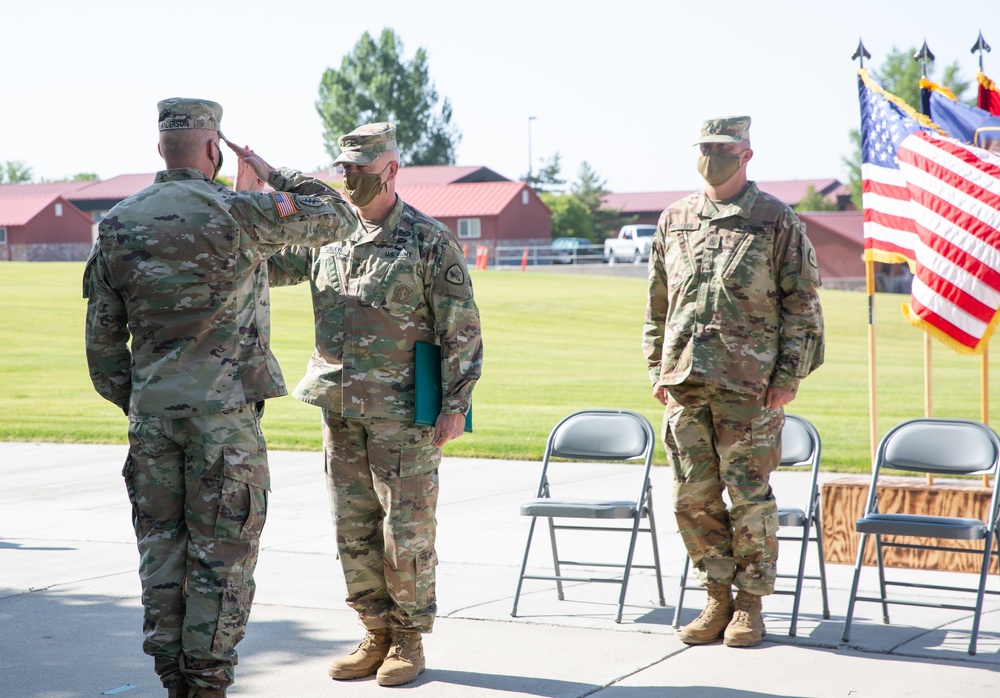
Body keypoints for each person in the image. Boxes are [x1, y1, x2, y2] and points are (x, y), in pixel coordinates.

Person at [83, 97, 359, 698]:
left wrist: (146, 399)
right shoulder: (240, 212)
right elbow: (339, 214)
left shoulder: (119, 223)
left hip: (152, 421)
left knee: (162, 553)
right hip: (224, 425)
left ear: (161, 149)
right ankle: (207, 683)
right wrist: (270, 173)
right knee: (222, 558)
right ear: (214, 149)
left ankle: (173, 679)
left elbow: (103, 351)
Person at [261, 122, 483, 686]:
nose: (351, 178)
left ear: (391, 170)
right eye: (345, 169)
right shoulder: (327, 236)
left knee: (406, 530)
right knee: (352, 526)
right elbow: (261, 265)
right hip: (340, 406)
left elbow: (462, 327)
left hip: (405, 411)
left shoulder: (428, 239)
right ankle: (373, 631)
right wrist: (248, 199)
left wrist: (456, 403)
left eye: (361, 169)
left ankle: (408, 638)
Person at [643, 115, 824, 648]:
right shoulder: (674, 218)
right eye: (705, 147)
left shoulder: (775, 219)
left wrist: (787, 376)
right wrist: (658, 368)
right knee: (691, 499)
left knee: (748, 497)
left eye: (723, 147)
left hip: (750, 384)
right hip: (685, 380)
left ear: (747, 154)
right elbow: (657, 303)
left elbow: (804, 305)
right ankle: (716, 597)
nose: (712, 155)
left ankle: (750, 605)